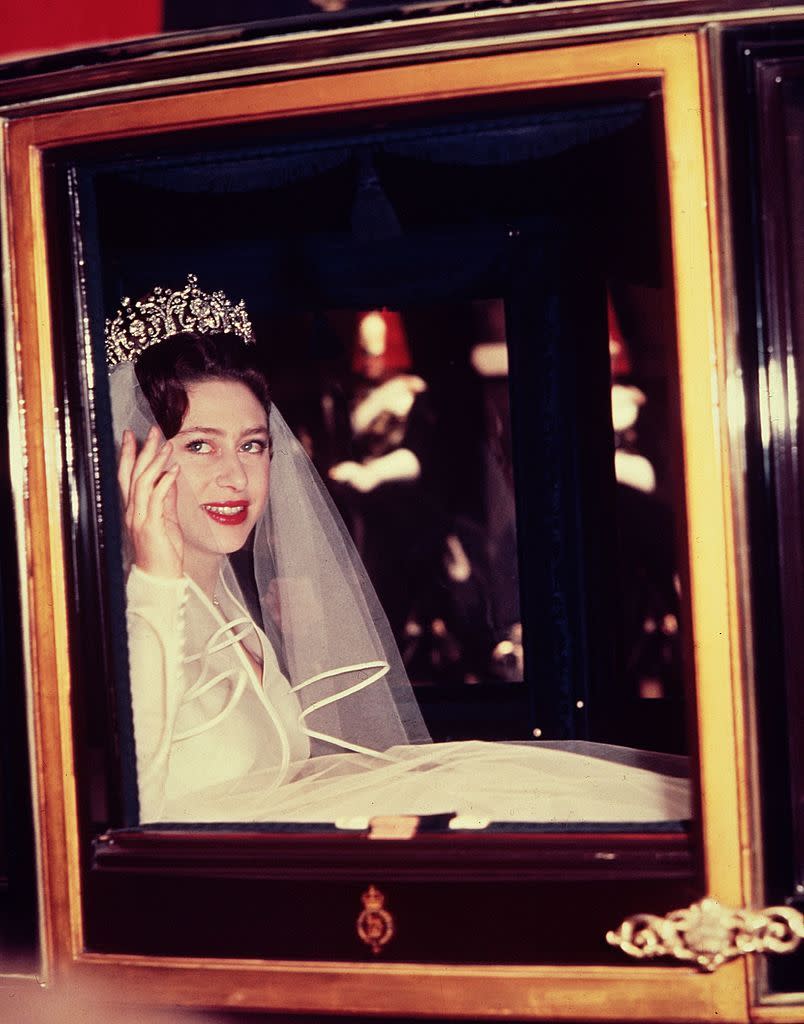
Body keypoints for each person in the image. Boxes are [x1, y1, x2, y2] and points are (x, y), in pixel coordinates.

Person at [107, 275, 690, 826]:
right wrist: (157, 577)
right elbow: (132, 816)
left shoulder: (230, 618)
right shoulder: (131, 619)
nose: (236, 475)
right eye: (201, 446)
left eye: (252, 444)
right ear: (139, 460)